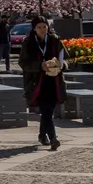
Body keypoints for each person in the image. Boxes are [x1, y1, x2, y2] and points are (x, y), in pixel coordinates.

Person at [20, 18, 66, 150]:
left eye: (44, 27)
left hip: (53, 81)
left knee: (48, 111)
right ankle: (53, 138)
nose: (42, 30)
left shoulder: (55, 40)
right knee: (46, 111)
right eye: (39, 27)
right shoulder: (28, 43)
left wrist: (61, 65)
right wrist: (40, 66)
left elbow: (66, 57)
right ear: (34, 29)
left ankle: (42, 135)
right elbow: (23, 63)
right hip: (36, 82)